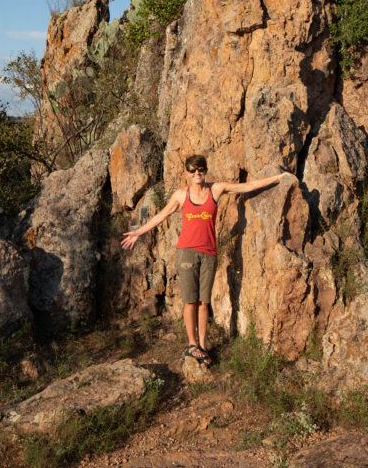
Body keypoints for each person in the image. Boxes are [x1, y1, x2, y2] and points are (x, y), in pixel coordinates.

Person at [121, 154, 286, 366]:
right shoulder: (181, 195)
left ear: (205, 171)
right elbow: (160, 216)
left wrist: (278, 178)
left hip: (209, 253)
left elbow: (247, 186)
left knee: (204, 303)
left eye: (200, 169)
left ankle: (202, 345)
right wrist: (138, 232)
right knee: (190, 301)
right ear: (187, 173)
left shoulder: (215, 189)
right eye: (192, 170)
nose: (197, 173)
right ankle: (192, 345)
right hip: (187, 253)